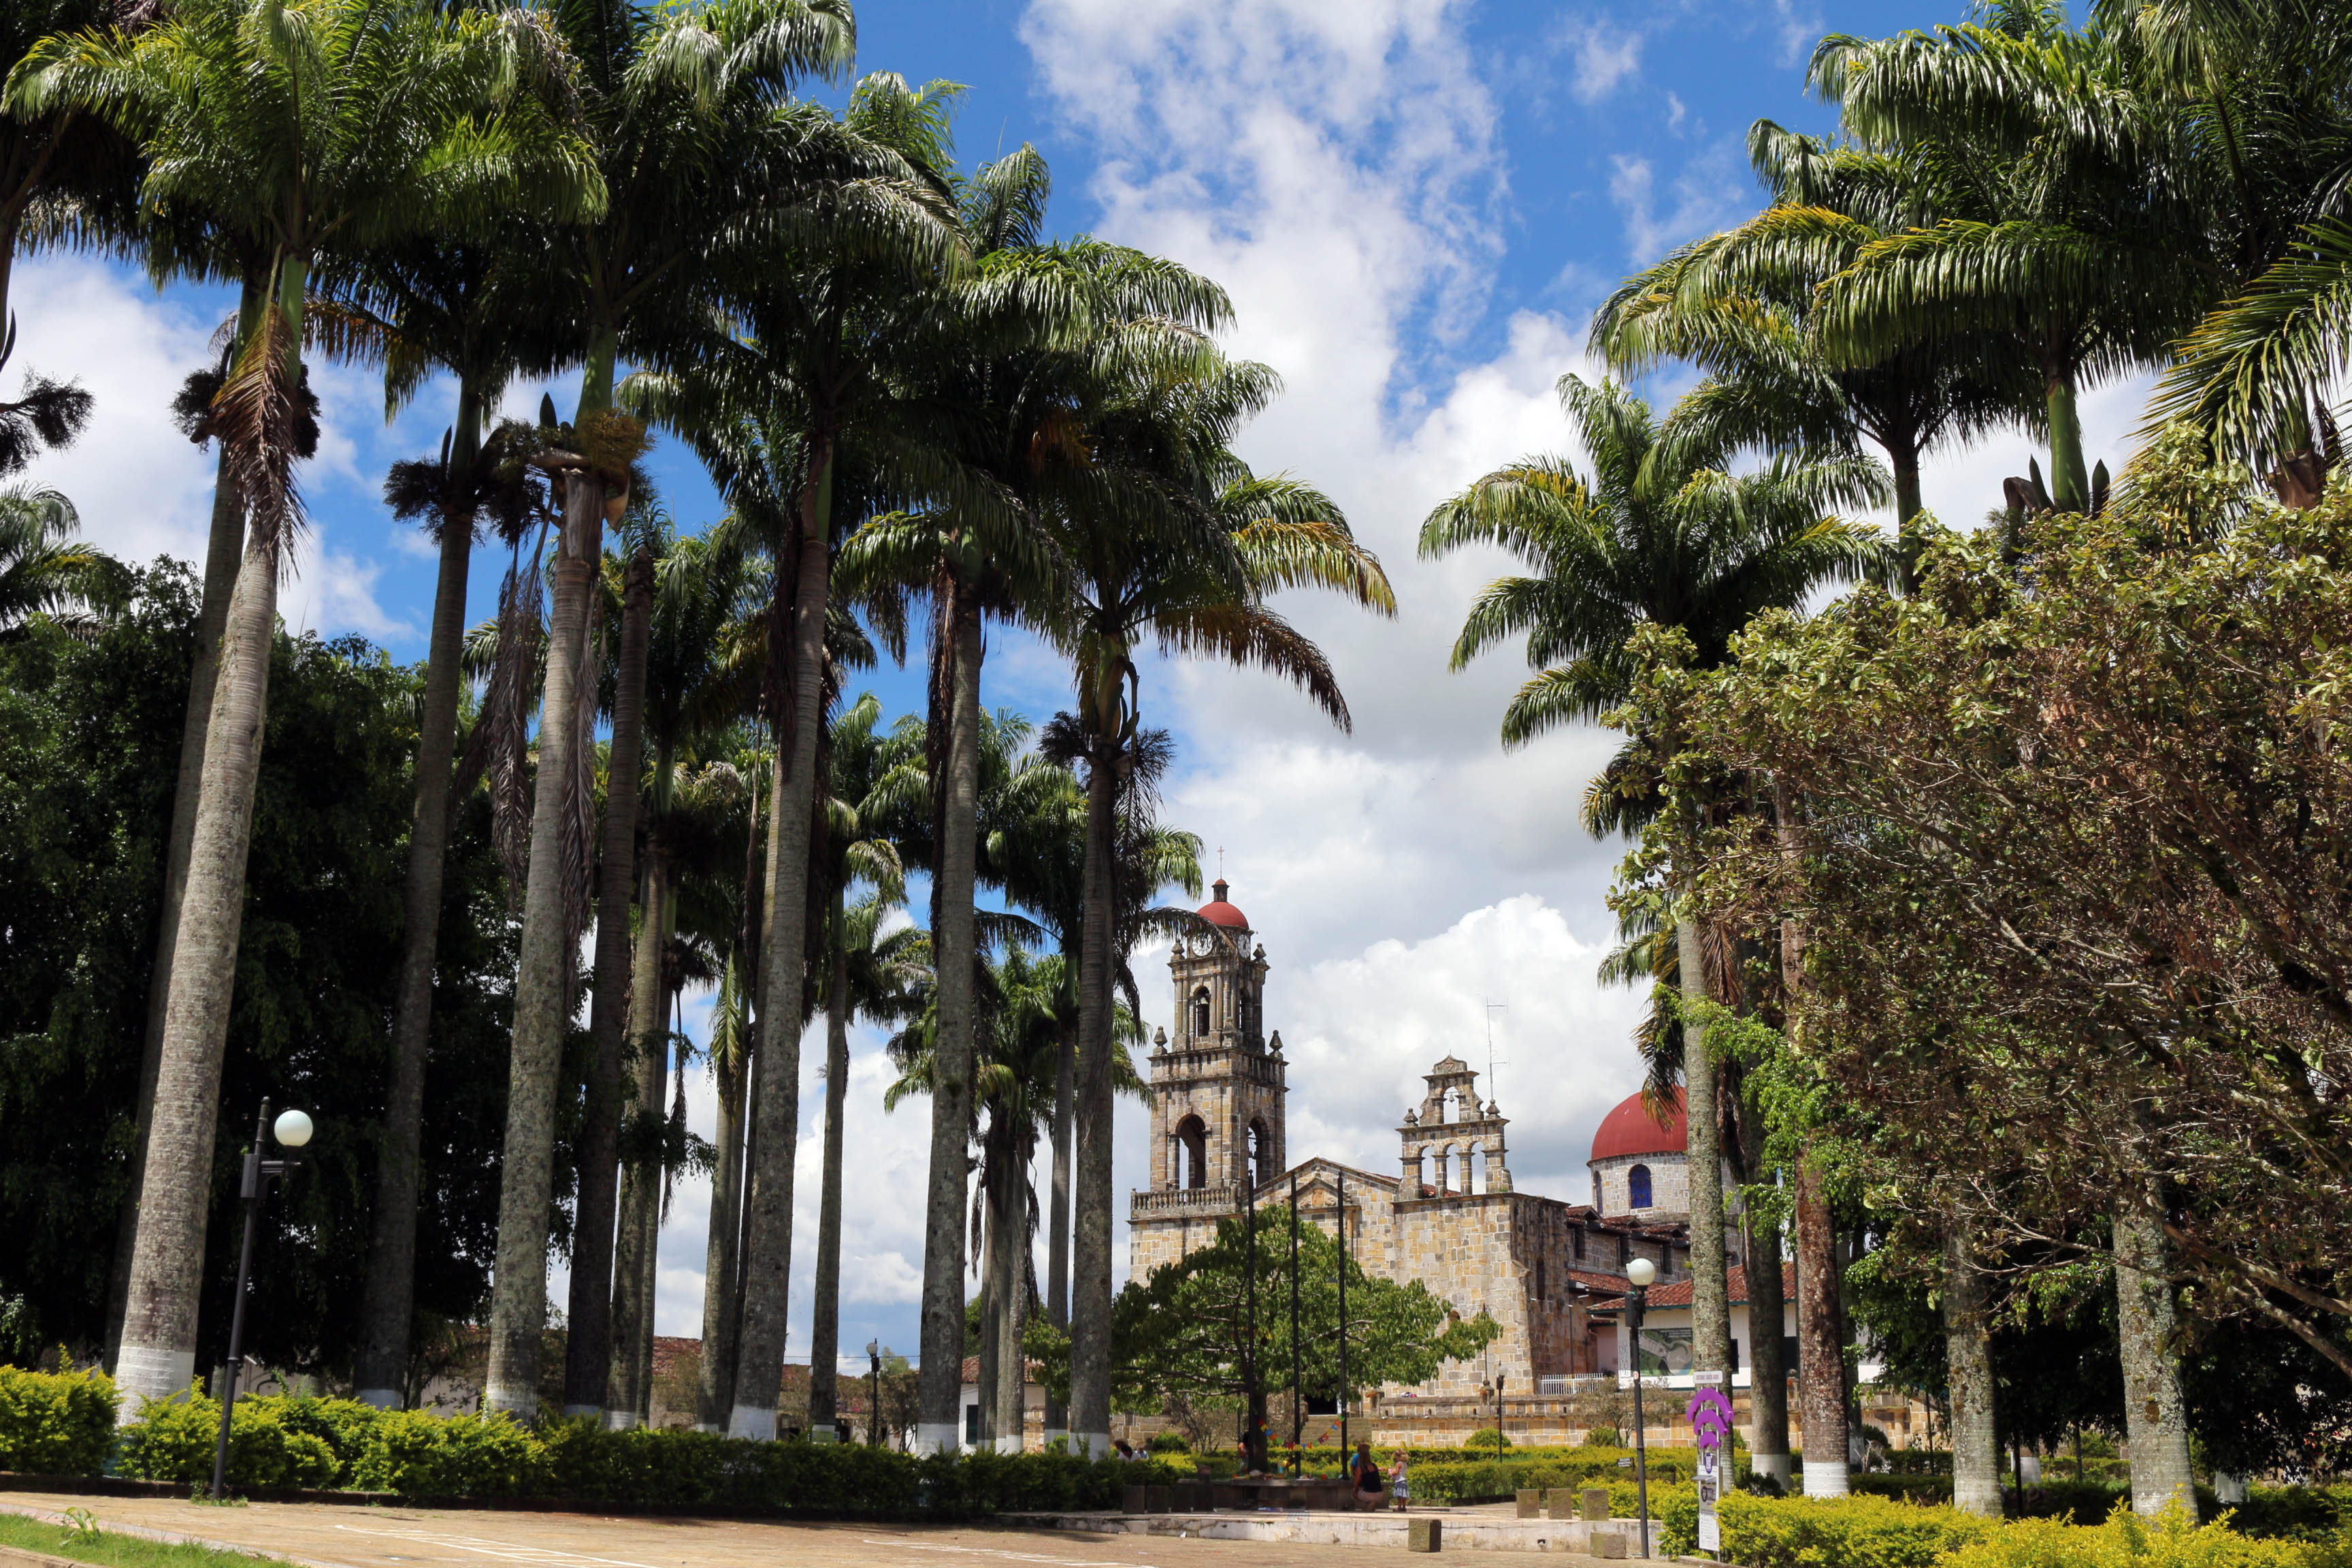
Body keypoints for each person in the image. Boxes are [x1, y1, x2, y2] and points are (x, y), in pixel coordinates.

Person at [1350, 1440, 1383, 1510]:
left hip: (1369, 1495)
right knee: (1366, 1491)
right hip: (1380, 1494)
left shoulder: (1361, 1468)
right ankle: (1370, 1505)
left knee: (1354, 1493)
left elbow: (1356, 1484)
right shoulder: (1374, 1465)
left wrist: (1356, 1489)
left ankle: (1369, 1504)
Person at [1390, 1448, 1411, 1512]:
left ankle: (1399, 1507)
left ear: (1398, 1457)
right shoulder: (1405, 1464)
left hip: (1399, 1481)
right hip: (1404, 1480)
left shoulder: (1399, 1464)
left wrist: (1392, 1472)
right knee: (1404, 1495)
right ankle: (1404, 1507)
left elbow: (1396, 1472)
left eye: (1396, 1456)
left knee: (1399, 1496)